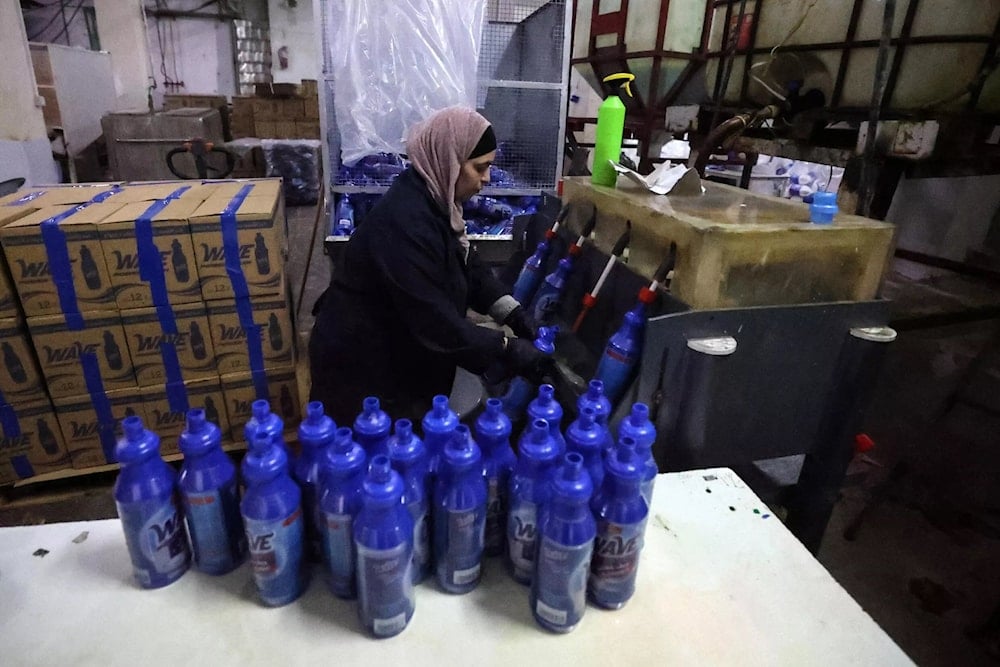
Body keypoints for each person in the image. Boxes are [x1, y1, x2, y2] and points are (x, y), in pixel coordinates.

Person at [309, 106, 550, 426]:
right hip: (361, 369)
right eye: (480, 168)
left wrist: (513, 313)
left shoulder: (436, 202)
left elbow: (466, 262)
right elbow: (435, 322)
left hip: (394, 354)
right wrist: (506, 348)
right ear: (450, 161)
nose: (486, 179)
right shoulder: (406, 223)